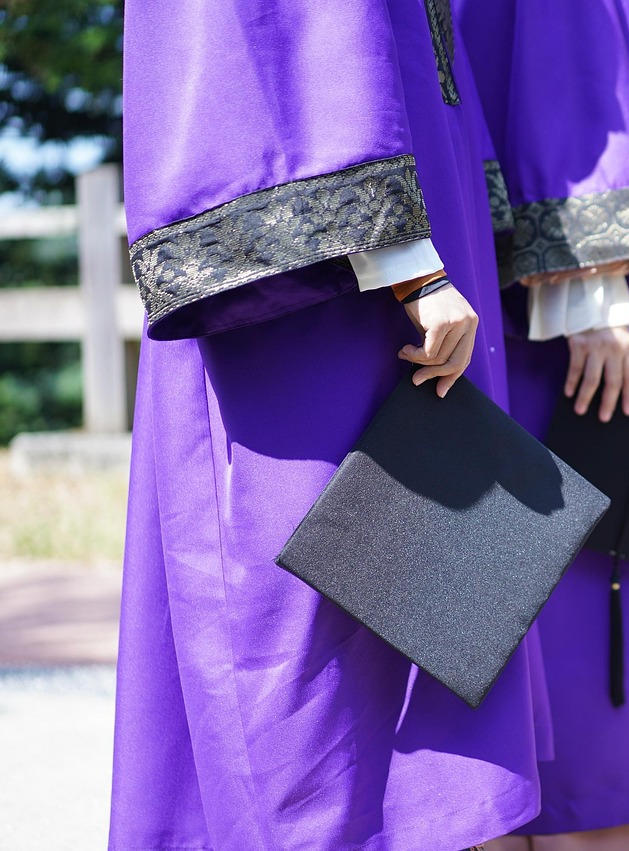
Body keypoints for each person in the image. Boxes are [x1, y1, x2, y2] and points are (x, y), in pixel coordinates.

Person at [110, 2, 549, 849]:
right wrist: (405, 261)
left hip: (408, 231)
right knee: (303, 613)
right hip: (316, 279)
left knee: (425, 591)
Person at [456, 1, 629, 848]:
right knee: (587, 561)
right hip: (572, 300)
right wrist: (588, 283)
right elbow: (554, 71)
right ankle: (605, 815)